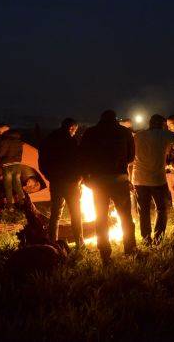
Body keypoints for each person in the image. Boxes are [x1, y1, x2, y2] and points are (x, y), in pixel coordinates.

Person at [79, 110, 136, 263]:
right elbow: (131, 157)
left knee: (101, 218)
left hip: (99, 181)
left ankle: (105, 253)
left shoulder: (90, 132)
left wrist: (86, 177)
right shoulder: (124, 132)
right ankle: (130, 249)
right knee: (125, 216)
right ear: (115, 119)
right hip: (119, 180)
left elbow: (83, 156)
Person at [132, 114, 174, 245]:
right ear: (161, 125)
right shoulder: (163, 135)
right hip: (157, 180)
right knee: (161, 209)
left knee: (143, 211)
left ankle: (146, 239)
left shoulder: (138, 136)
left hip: (139, 179)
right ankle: (158, 238)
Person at [39, 118, 83, 247]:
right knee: (75, 212)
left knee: (55, 213)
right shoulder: (71, 142)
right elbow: (78, 161)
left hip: (56, 182)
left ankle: (53, 242)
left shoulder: (49, 140)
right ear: (71, 128)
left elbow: (42, 163)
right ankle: (80, 243)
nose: (75, 133)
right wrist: (79, 177)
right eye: (75, 130)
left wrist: (50, 177)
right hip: (71, 182)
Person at [0, 129, 25, 208]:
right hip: (17, 165)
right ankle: (23, 203)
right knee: (17, 185)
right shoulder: (19, 142)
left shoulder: (5, 141)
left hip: (7, 166)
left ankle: (9, 206)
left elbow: (1, 153)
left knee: (8, 186)